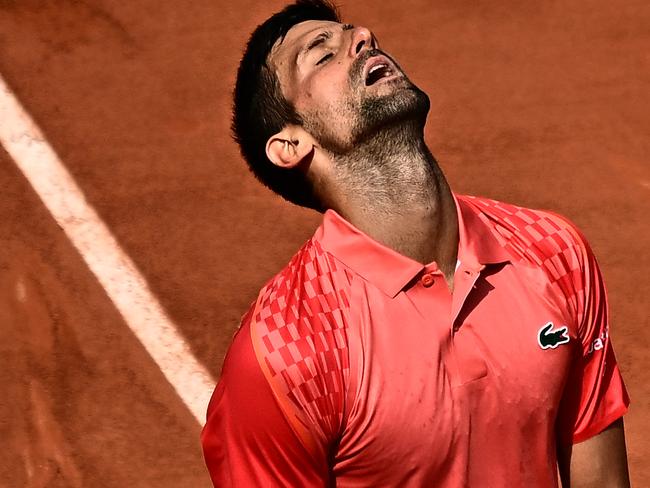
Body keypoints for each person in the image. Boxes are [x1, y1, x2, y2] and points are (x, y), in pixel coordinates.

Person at [200, 0, 631, 486]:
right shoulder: (286, 350)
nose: (362, 36)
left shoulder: (553, 251)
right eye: (321, 55)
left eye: (353, 33)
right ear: (290, 144)